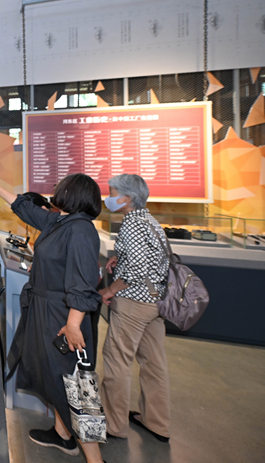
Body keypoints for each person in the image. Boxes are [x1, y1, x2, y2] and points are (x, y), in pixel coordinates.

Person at [0, 174, 105, 462]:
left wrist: (73, 324)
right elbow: (26, 209)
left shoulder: (80, 231)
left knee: (73, 386)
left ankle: (95, 459)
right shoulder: (61, 222)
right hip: (46, 310)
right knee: (53, 377)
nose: (55, 190)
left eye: (61, 187)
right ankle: (63, 435)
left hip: (62, 317)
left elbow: (83, 283)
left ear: (72, 195)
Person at [98, 174, 171, 443]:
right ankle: (157, 423)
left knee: (117, 360)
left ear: (127, 198)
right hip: (155, 302)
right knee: (154, 364)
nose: (109, 198)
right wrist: (121, 257)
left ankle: (113, 424)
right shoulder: (149, 221)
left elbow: (138, 270)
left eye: (112, 192)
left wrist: (110, 289)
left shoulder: (131, 224)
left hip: (133, 304)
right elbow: (153, 259)